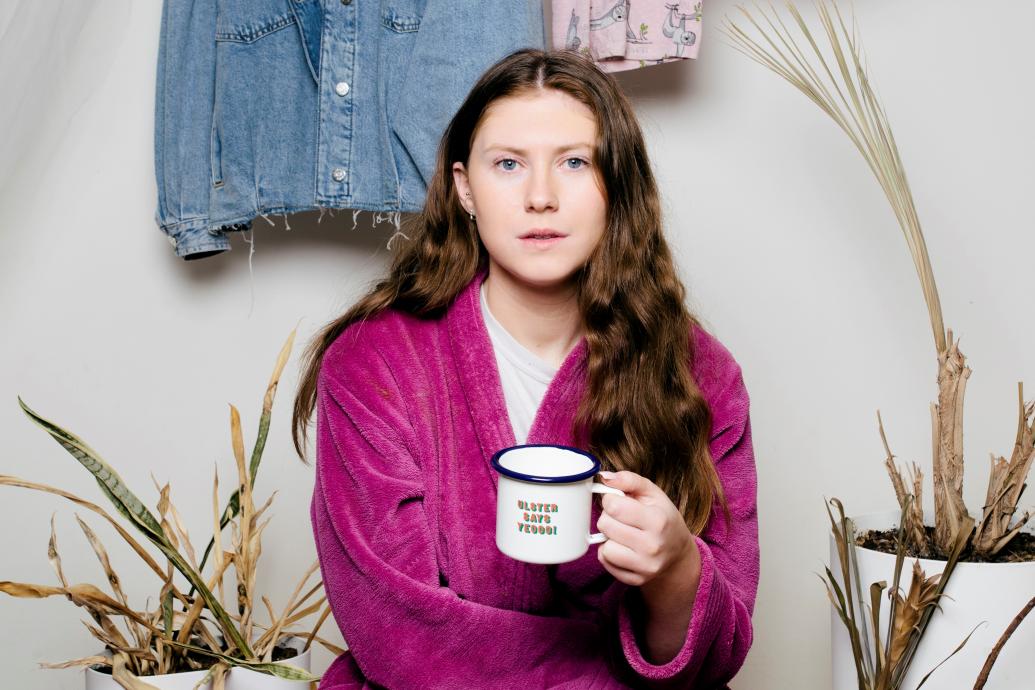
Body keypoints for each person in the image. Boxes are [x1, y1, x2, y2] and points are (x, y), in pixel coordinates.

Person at [291, 48, 758, 689]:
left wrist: (678, 568)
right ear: (464, 189)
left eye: (574, 163)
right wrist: (603, 665)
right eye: (508, 165)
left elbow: (716, 657)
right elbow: (398, 635)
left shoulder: (702, 376)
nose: (541, 197)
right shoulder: (374, 364)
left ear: (616, 185)